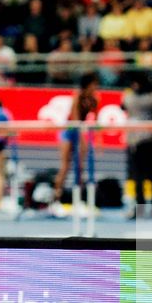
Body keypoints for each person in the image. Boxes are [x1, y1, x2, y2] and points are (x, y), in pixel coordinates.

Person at [53, 71, 101, 207]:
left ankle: (77, 197)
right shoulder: (77, 96)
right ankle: (55, 198)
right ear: (88, 85)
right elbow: (75, 119)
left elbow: (95, 122)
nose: (95, 87)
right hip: (69, 130)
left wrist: (98, 140)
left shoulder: (95, 99)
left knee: (80, 166)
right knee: (65, 166)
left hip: (80, 130)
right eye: (94, 85)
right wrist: (82, 139)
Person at [122, 69, 152, 217]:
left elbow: (124, 104)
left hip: (141, 141)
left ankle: (142, 208)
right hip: (146, 140)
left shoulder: (131, 98)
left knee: (141, 176)